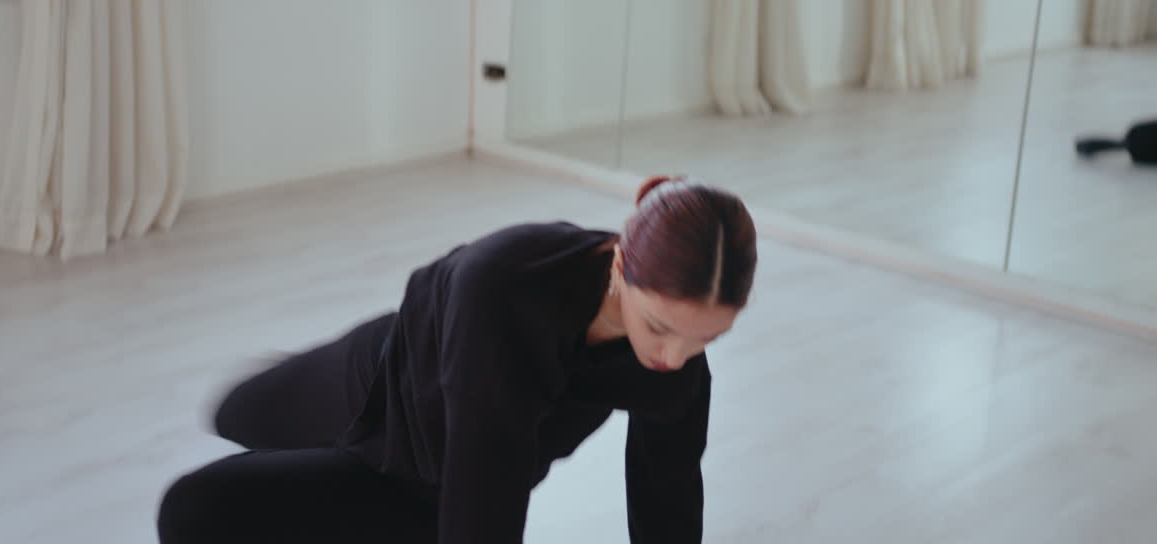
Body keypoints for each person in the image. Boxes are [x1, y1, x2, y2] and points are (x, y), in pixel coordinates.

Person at [156, 174, 758, 544]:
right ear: (621, 266)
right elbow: (488, 472)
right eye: (658, 327)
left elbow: (666, 503)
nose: (674, 356)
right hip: (378, 388)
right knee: (233, 413)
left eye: (706, 339)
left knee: (195, 509)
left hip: (435, 493)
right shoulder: (506, 283)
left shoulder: (677, 369)